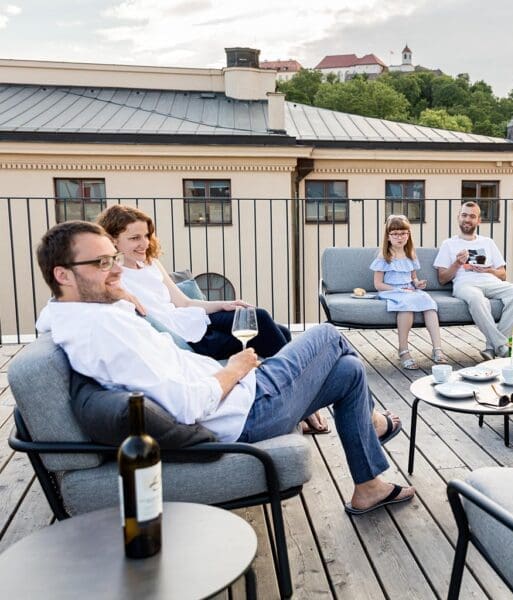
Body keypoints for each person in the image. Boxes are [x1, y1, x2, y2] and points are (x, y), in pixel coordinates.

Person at [35, 220, 414, 515]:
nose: (116, 269)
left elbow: (53, 315)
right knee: (329, 336)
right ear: (62, 275)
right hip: (246, 413)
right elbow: (185, 406)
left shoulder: (74, 316)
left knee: (348, 371)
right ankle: (374, 423)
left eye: (113, 259)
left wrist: (117, 291)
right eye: (102, 262)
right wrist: (234, 369)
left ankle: (368, 486)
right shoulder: (102, 332)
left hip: (241, 401)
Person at [96, 205, 329, 435]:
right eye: (134, 238)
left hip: (191, 320)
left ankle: (296, 400)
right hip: (184, 339)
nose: (144, 243)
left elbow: (184, 302)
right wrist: (122, 293)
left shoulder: (150, 263)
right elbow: (100, 301)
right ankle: (303, 405)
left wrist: (224, 304)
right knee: (262, 321)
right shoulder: (110, 275)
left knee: (271, 327)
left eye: (146, 235)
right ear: (113, 240)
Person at [433, 201, 513, 360]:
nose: (467, 219)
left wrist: (489, 270)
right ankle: (502, 346)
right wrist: (457, 263)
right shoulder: (449, 244)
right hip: (465, 284)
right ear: (458, 217)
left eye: (472, 216)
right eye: (464, 215)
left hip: (490, 281)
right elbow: (442, 279)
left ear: (478, 221)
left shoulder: (488, 242)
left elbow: (503, 275)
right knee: (478, 299)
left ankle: (492, 347)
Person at [371, 214, 448, 369]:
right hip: (392, 291)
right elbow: (378, 284)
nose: (399, 237)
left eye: (403, 233)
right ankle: (403, 350)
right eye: (395, 234)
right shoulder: (384, 256)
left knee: (429, 303)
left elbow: (413, 277)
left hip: (409, 290)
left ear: (408, 235)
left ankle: (437, 349)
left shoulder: (410, 255)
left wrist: (417, 283)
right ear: (388, 237)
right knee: (406, 305)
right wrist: (399, 289)